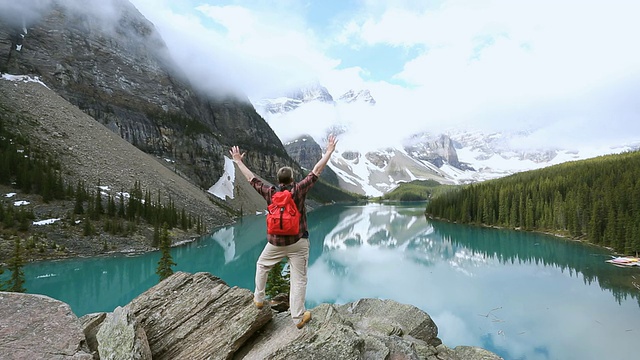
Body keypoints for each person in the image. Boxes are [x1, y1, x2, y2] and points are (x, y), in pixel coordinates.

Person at [229, 134, 337, 329]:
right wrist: (329, 151)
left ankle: (259, 298)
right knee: (299, 279)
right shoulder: (298, 190)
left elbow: (251, 178)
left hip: (275, 243)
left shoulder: (271, 192)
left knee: (262, 265)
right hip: (298, 242)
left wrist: (238, 161)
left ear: (278, 180)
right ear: (292, 179)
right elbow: (316, 171)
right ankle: (298, 318)